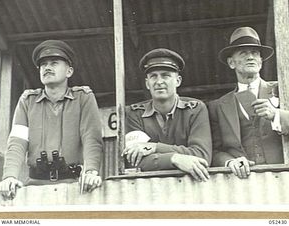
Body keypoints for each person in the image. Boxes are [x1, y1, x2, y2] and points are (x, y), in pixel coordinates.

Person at [0, 40, 103, 198]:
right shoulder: (27, 100)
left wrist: (91, 172)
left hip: (73, 184)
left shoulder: (83, 98)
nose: (47, 68)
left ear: (69, 71)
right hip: (35, 185)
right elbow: (17, 143)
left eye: (54, 63)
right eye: (43, 65)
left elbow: (91, 138)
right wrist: (9, 177)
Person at [209, 26, 289, 179]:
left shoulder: (283, 90)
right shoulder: (217, 106)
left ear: (261, 61)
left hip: (284, 178)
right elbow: (214, 150)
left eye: (255, 53)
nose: (250, 57)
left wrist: (276, 115)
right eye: (243, 53)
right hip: (243, 181)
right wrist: (230, 161)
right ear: (231, 62)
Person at [123, 48, 212, 182]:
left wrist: (155, 148)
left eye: (165, 75)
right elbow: (133, 161)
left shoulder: (195, 109)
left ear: (178, 81)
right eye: (153, 76)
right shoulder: (134, 113)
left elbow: (202, 155)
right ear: (147, 83)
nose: (159, 82)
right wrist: (174, 159)